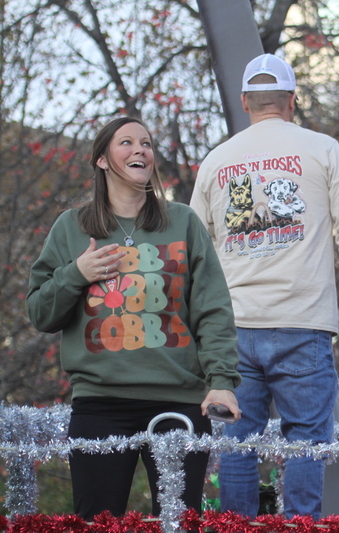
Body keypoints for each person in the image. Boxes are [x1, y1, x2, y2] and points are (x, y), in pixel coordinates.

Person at [190, 53, 339, 519]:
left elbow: (195, 247)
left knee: (237, 446)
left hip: (235, 326)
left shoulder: (217, 160)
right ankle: (300, 528)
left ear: (245, 102)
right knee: (306, 443)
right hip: (303, 322)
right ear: (292, 100)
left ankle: (238, 529)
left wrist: (200, 320)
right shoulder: (322, 149)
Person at [26, 117, 241, 519]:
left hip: (179, 402)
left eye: (146, 142)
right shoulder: (71, 228)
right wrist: (77, 274)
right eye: (126, 142)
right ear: (103, 160)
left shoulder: (183, 222)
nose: (140, 149)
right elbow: (40, 313)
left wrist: (222, 382)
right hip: (100, 403)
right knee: (95, 524)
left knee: (180, 525)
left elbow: (213, 309)